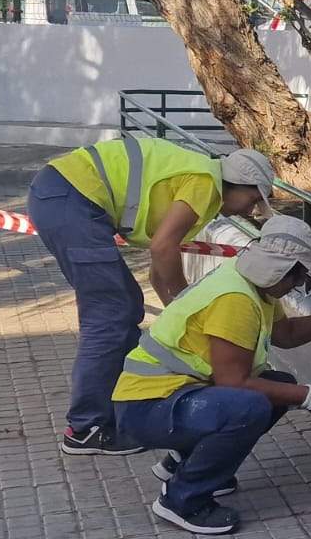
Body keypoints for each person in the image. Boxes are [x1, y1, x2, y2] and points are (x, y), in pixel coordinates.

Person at [110, 215, 311, 535]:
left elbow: (287, 333)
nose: (299, 285)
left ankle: (186, 461)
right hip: (145, 406)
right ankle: (183, 499)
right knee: (249, 405)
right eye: (300, 276)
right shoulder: (236, 300)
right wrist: (310, 395)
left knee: (279, 386)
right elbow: (234, 382)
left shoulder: (249, 282)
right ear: (284, 269)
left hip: (168, 397)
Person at [27, 134, 277, 456]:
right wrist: (189, 302)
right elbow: (163, 249)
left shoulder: (201, 179)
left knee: (125, 304)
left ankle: (111, 413)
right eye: (253, 199)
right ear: (238, 184)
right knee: (111, 314)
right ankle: (86, 428)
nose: (251, 209)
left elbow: (160, 261)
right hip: (71, 198)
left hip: (61, 196)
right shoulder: (206, 183)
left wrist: (178, 308)